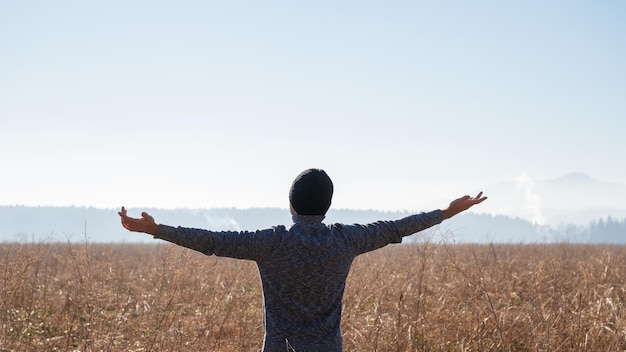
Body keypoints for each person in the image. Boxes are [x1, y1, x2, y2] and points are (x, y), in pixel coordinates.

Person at [118, 168, 487, 352]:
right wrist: (447, 212)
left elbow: (212, 242)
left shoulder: (272, 243)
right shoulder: (346, 239)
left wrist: (156, 229)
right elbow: (397, 228)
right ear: (327, 207)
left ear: (291, 205)